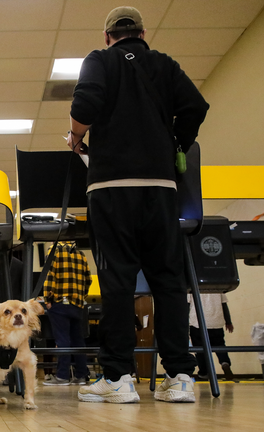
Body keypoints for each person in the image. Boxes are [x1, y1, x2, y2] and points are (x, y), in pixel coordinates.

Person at [68, 6, 209, 404]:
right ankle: (180, 376)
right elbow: (196, 107)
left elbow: (84, 106)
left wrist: (76, 137)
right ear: (143, 33)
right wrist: (175, 142)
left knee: (118, 282)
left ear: (108, 35)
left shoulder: (99, 60)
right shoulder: (163, 64)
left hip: (112, 187)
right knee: (168, 280)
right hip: (162, 187)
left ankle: (118, 378)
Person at [40, 242, 92, 386]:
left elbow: (49, 276)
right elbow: (89, 279)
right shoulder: (81, 254)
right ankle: (81, 375)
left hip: (59, 303)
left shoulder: (53, 251)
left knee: (62, 340)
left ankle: (62, 376)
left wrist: (48, 299)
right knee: (78, 340)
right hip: (77, 304)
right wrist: (81, 296)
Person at [188, 293, 235, 381]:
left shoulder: (192, 287)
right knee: (220, 346)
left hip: (197, 323)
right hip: (216, 323)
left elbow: (186, 307)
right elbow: (224, 305)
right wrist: (228, 321)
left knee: (200, 350)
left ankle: (204, 373)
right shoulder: (218, 288)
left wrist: (184, 325)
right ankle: (225, 363)